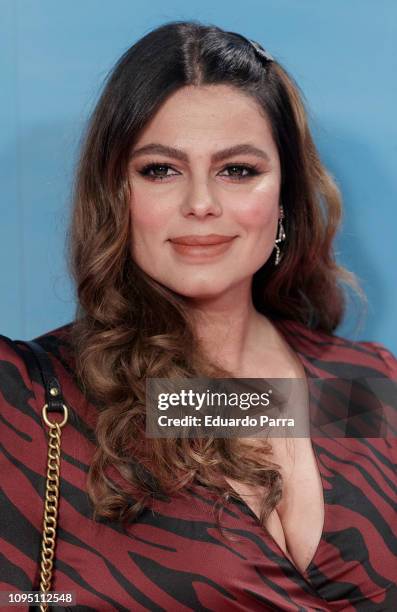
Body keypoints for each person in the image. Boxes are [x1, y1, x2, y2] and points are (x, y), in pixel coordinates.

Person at [1, 20, 396, 612]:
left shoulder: (368, 384)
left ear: (285, 196)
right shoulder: (28, 397)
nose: (201, 204)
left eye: (238, 170)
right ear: (115, 193)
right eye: (160, 169)